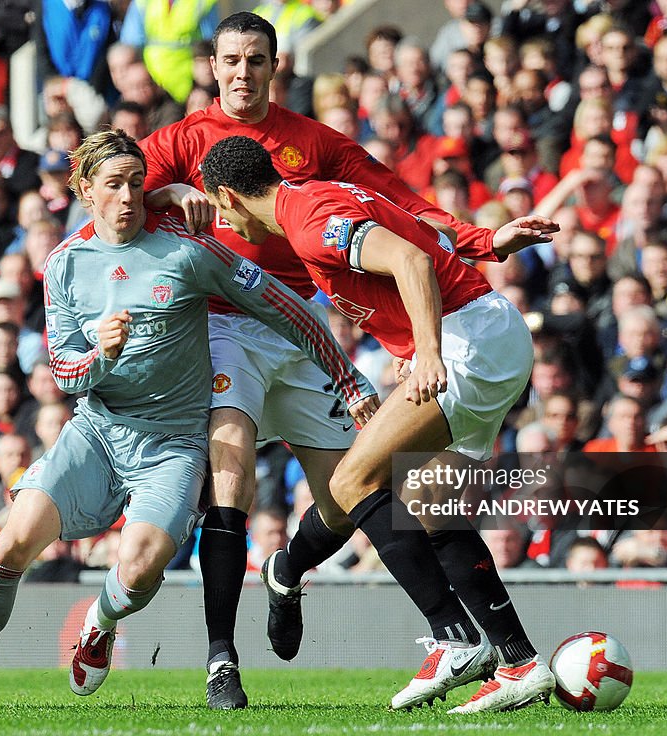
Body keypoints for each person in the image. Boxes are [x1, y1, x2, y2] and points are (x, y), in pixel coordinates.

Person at [0, 129, 375, 710]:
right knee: (10, 544)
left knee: (140, 566)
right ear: (85, 191)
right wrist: (97, 357)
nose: (130, 195)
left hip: (174, 444)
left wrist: (349, 378)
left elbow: (290, 310)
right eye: (114, 184)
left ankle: (100, 624)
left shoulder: (189, 250)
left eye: (137, 182)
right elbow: (62, 371)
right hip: (97, 430)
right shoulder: (64, 264)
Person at [141, 12, 523, 709]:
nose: (242, 72)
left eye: (256, 59)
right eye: (230, 60)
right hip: (223, 323)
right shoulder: (181, 139)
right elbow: (111, 190)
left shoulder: (312, 144)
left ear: (275, 64)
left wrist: (482, 240)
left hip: (297, 324)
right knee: (231, 473)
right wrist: (163, 192)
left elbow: (401, 203)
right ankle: (222, 660)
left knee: (355, 488)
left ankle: (316, 586)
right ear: (211, 66)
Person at [197, 134, 560, 715]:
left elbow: (412, 260)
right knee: (425, 502)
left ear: (227, 196)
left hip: (468, 342)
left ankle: (454, 639)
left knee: (350, 483)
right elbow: (427, 237)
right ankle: (519, 662)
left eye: (217, 209)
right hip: (490, 333)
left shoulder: (311, 220)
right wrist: (484, 247)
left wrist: (429, 349)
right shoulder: (317, 201)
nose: (221, 221)